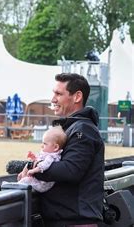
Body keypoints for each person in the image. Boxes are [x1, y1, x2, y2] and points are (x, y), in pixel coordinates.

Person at [18, 73, 105, 226]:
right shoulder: (73, 127)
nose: (53, 99)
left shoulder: (83, 129)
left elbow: (70, 170)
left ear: (77, 96)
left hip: (74, 221)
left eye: (58, 94)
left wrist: (33, 167)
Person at [17, 126, 67, 193]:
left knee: (25, 181)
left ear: (55, 147)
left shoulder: (52, 156)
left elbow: (44, 165)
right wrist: (33, 158)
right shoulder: (48, 153)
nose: (42, 146)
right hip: (40, 180)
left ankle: (13, 190)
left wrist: (33, 171)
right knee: (24, 177)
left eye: (45, 144)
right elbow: (38, 161)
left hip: (43, 184)